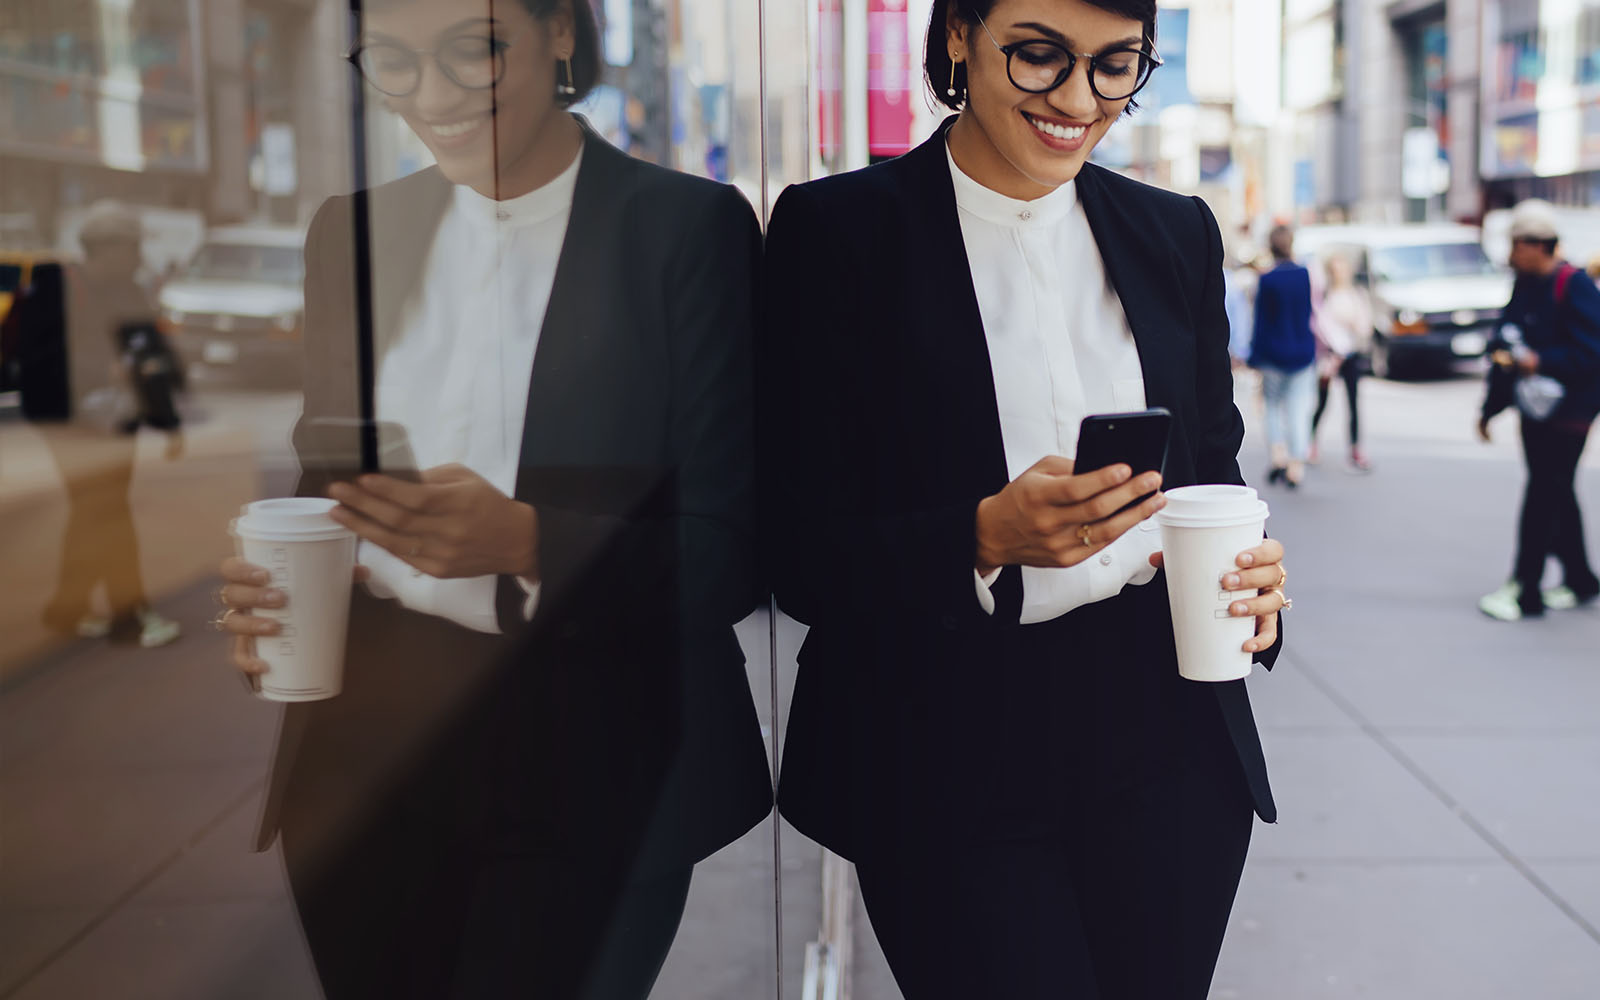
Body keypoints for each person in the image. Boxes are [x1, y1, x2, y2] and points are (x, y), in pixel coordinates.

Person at [213, 0, 773, 995]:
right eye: (392, 60)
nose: (432, 96)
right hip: (366, 745)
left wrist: (526, 539)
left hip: (593, 746)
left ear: (561, 30)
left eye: (474, 50)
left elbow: (734, 548)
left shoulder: (684, 229)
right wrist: (272, 594)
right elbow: (326, 480)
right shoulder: (355, 233)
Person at [762, 0, 1290, 996]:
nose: (1078, 101)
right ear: (958, 33)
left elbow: (1211, 470)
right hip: (943, 738)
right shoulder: (837, 232)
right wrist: (979, 535)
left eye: (1114, 66)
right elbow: (794, 551)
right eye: (1038, 57)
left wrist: (1249, 580)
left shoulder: (1173, 230)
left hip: (1166, 733)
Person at [21, 201, 183, 647]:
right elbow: (32, 361)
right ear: (105, 248)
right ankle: (129, 617)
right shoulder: (56, 288)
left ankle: (66, 609)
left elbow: (151, 359)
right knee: (109, 513)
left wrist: (169, 423)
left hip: (118, 422)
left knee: (92, 513)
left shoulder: (129, 291)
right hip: (70, 424)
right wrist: (99, 369)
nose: (137, 257)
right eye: (131, 247)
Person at [1477, 199, 1600, 621]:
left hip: (1573, 411)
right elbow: (1505, 341)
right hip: (1534, 410)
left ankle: (1525, 588)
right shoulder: (1525, 283)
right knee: (1557, 491)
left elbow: (1592, 353)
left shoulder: (1575, 284)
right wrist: (1490, 407)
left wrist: (1540, 361)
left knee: (1543, 492)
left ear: (1538, 245)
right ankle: (1582, 580)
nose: (1510, 253)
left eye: (1516, 244)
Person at [1249, 224, 1317, 488]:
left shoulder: (1267, 280)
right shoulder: (1304, 276)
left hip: (1272, 354)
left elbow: (1261, 321)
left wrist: (1254, 356)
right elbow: (1308, 313)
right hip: (1301, 352)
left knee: (1272, 407)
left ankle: (1278, 456)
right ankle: (1296, 466)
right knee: (1299, 409)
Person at [1310, 251, 1374, 472]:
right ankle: (1311, 441)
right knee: (1322, 402)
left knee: (1354, 403)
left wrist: (1353, 322)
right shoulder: (1325, 295)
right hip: (1330, 355)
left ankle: (1356, 449)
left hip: (1351, 353)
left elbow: (1365, 325)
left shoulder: (1357, 294)